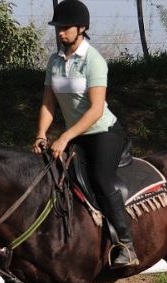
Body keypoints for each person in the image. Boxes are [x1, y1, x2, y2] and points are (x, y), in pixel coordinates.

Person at [33, 0, 138, 268]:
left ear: (82, 28)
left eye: (65, 27)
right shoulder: (54, 62)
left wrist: (65, 137)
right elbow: (48, 103)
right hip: (77, 134)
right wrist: (42, 133)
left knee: (101, 179)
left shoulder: (94, 61)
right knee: (55, 176)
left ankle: (126, 244)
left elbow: (95, 110)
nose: (60, 32)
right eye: (58, 27)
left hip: (103, 132)